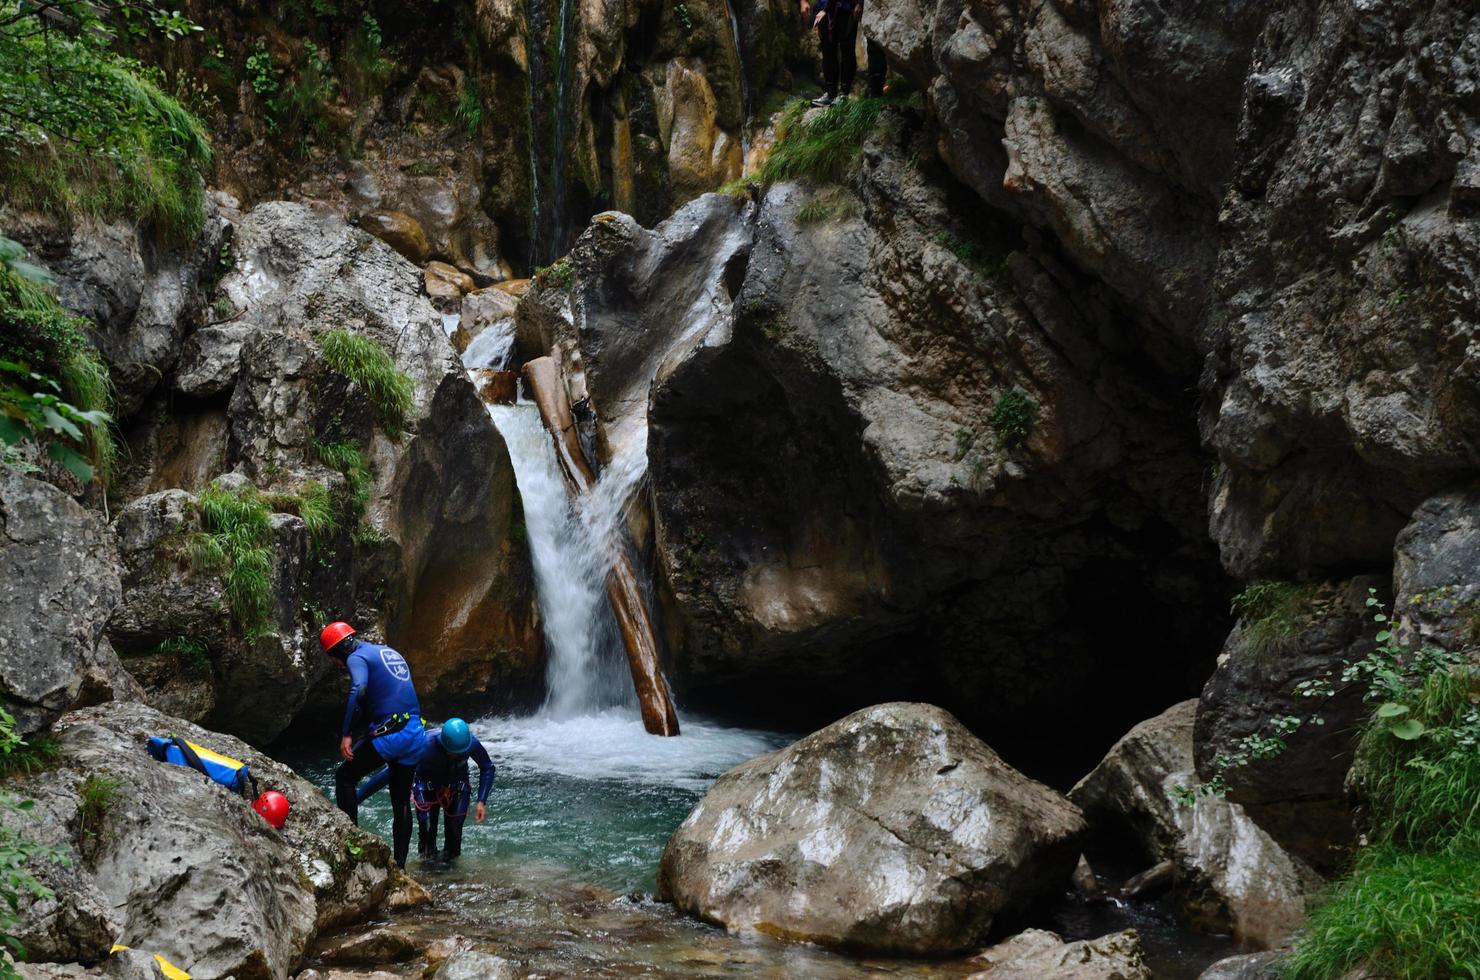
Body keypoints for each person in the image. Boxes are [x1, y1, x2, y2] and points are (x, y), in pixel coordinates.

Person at [321, 621, 426, 868]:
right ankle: (400, 865)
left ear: (340, 649)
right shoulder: (388, 652)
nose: (337, 664)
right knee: (401, 802)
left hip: (391, 736)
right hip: (415, 732)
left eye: (333, 657)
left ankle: (351, 845)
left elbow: (359, 689)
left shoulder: (356, 658)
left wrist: (346, 733)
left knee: (345, 777)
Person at [357, 717, 496, 865]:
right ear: (444, 745)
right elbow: (390, 772)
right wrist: (357, 797)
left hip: (457, 785)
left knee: (454, 834)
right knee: (427, 832)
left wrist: (482, 800)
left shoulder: (470, 743)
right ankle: (427, 872)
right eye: (452, 752)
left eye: (460, 752)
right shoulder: (424, 744)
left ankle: (452, 875)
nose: (456, 755)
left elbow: (487, 767)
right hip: (426, 785)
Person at [802, 0, 862, 107]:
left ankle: (844, 94)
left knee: (847, 49)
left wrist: (860, 3)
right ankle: (830, 93)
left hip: (846, 7)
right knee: (827, 50)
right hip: (824, 6)